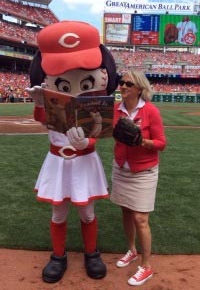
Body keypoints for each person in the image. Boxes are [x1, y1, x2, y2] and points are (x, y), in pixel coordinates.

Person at [26, 20, 118, 283]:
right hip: (58, 161)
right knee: (58, 213)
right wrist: (40, 103)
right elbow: (44, 121)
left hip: (84, 161)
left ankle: (92, 254)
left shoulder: (97, 101)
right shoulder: (47, 98)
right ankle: (58, 256)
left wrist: (87, 144)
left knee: (87, 213)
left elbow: (97, 132)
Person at [110, 69, 167, 286]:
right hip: (121, 167)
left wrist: (141, 141)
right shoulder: (116, 109)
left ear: (140, 89)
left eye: (128, 84)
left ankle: (146, 266)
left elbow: (162, 143)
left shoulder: (151, 111)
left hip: (144, 171)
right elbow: (108, 132)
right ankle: (131, 250)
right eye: (121, 82)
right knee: (125, 209)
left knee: (140, 219)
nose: (123, 86)